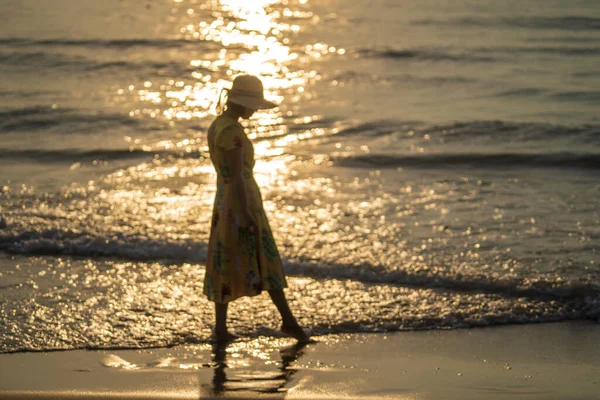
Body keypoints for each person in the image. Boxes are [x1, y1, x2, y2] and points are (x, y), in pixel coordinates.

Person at [204, 75, 310, 343]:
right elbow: (238, 177)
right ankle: (289, 323)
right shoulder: (232, 132)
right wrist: (247, 214)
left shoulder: (219, 125)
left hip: (224, 200)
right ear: (241, 103)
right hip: (241, 201)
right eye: (252, 105)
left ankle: (221, 329)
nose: (254, 111)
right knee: (267, 259)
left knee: (224, 260)